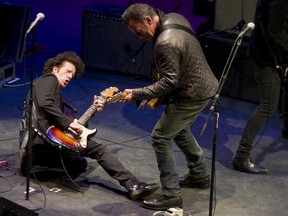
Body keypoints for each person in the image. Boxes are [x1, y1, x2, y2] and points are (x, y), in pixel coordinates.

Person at [18, 51, 159, 201]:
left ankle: (34, 162)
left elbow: (63, 123)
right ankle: (133, 185)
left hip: (45, 142)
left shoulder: (53, 91)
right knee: (98, 150)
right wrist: (69, 122)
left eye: (72, 76)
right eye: (67, 72)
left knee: (79, 164)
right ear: (54, 69)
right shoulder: (48, 79)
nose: (69, 77)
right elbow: (46, 104)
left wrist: (92, 112)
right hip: (43, 139)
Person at [121, 4, 219, 210]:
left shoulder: (164, 43)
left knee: (160, 136)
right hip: (204, 85)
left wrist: (137, 93)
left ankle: (171, 195)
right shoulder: (175, 17)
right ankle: (199, 175)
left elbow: (169, 82)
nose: (137, 36)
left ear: (148, 20)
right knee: (178, 129)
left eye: (136, 29)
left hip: (191, 94)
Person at [232, 0, 288, 174]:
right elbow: (275, 31)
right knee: (267, 105)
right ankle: (241, 156)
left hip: (270, 54)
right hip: (268, 58)